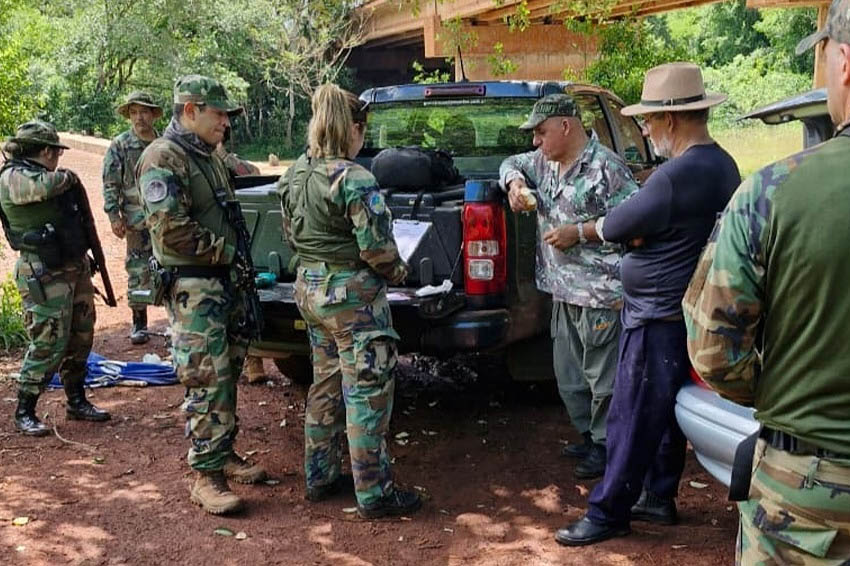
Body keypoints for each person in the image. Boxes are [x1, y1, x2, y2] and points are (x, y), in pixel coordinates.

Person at [684, 2, 850, 562]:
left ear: (844, 63)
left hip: (807, 504)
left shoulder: (773, 195)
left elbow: (714, 355)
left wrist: (789, 390)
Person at [555, 62, 740, 546]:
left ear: (671, 120)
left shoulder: (674, 176)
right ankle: (658, 495)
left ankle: (608, 510)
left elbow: (616, 225)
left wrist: (621, 232)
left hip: (656, 312)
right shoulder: (721, 164)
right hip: (684, 308)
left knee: (631, 414)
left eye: (650, 120)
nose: (645, 129)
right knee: (663, 414)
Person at [278, 83, 421, 519]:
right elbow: (377, 249)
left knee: (325, 385)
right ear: (352, 128)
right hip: (353, 300)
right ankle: (374, 493)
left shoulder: (294, 174)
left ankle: (319, 477)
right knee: (367, 393)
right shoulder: (354, 178)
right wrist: (401, 274)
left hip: (311, 290)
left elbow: (290, 237)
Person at [136, 74, 266, 515]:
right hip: (194, 285)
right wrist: (226, 252)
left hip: (221, 282)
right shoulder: (163, 157)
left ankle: (223, 454)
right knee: (205, 377)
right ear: (190, 110)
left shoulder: (206, 155)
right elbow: (170, 229)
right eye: (219, 114)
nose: (226, 123)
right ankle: (205, 476)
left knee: (226, 370)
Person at [499, 94, 639, 479]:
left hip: (600, 293)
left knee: (603, 379)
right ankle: (589, 437)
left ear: (566, 125)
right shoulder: (545, 163)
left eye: (541, 132)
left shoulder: (606, 168)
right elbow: (511, 163)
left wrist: (579, 233)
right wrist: (513, 183)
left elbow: (636, 222)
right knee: (570, 375)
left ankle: (607, 446)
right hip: (562, 291)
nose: (535, 142)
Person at [1, 120, 111, 436]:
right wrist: (68, 177)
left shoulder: (47, 176)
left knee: (80, 335)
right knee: (48, 340)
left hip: (72, 267)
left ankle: (76, 400)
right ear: (46, 151)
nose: (59, 161)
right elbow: (41, 188)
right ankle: (25, 410)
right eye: (56, 154)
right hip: (43, 272)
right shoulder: (13, 177)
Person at [102, 91, 162, 344]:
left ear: (153, 115)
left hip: (166, 220)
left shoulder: (163, 144)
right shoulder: (121, 145)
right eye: (134, 112)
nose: (139, 117)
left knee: (173, 267)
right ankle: (139, 323)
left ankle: (177, 321)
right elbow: (110, 182)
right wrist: (113, 215)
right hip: (136, 221)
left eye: (144, 112)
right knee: (138, 269)